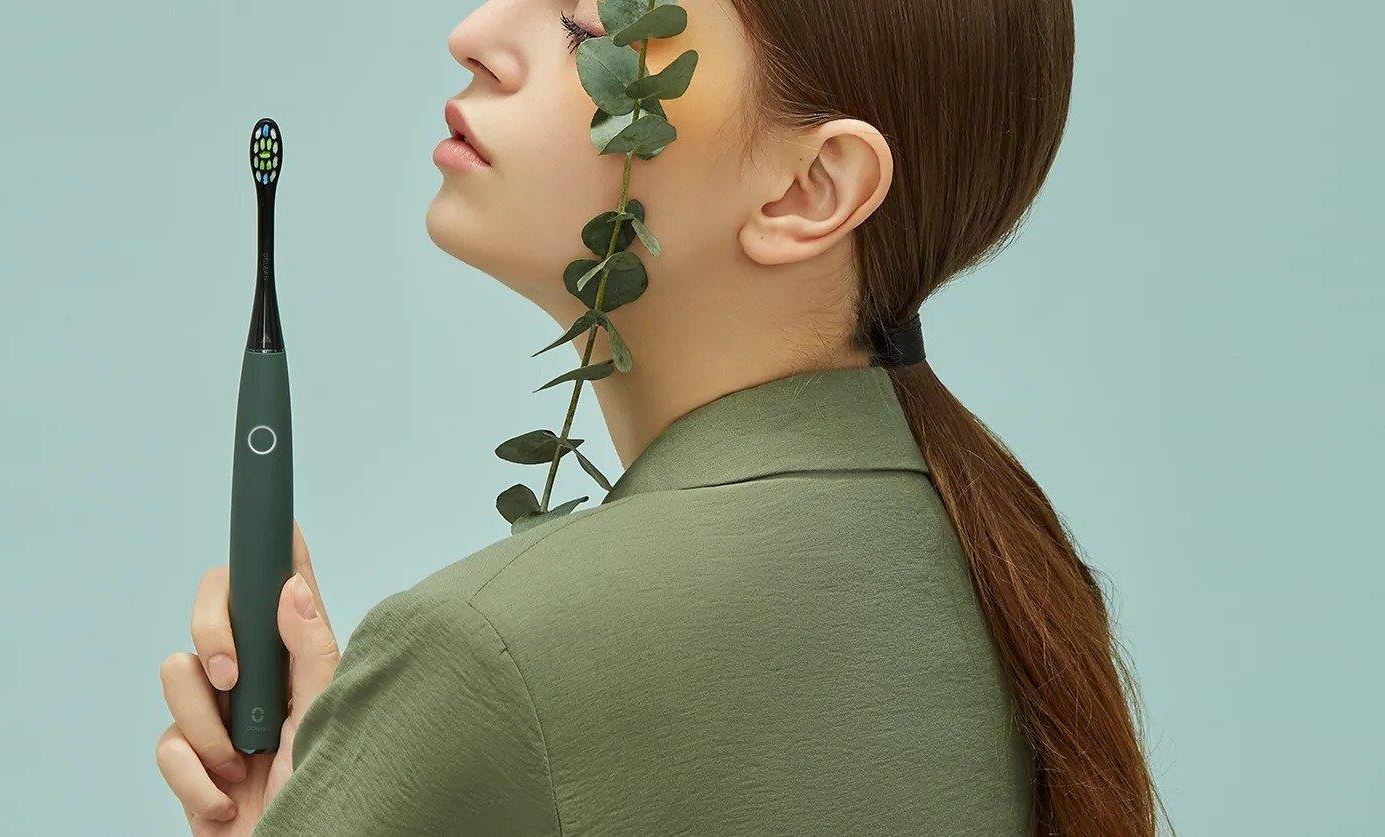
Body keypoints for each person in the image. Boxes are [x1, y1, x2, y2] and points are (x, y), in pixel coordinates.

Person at [152, 0, 1163, 834]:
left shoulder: (487, 654)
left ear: (810, 189)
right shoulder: (1008, 594)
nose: (474, 34)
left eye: (589, 31)